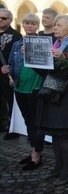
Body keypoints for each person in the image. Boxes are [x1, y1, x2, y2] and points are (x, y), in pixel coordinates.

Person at [37, 15, 68, 185]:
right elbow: (45, 72)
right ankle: (58, 167)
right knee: (54, 134)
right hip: (51, 91)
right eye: (54, 25)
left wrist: (62, 58)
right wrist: (33, 58)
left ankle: (67, 171)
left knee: (63, 134)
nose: (54, 28)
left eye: (59, 25)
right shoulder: (54, 44)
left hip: (65, 94)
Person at [2, 14, 45, 170]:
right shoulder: (17, 44)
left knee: (35, 123)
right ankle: (33, 151)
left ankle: (37, 156)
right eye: (27, 23)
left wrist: (31, 49)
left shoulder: (42, 42)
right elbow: (13, 65)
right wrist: (8, 70)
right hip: (20, 87)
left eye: (33, 23)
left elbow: (45, 63)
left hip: (35, 87)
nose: (29, 26)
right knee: (28, 121)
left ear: (37, 26)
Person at [0, 8, 23, 140]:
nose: (0, 20)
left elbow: (18, 56)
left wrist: (11, 69)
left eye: (3, 18)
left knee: (10, 100)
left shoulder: (16, 35)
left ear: (10, 20)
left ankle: (13, 128)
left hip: (8, 73)